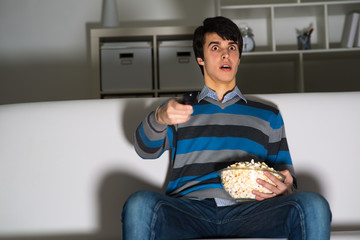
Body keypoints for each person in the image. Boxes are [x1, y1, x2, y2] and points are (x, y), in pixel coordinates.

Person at [122, 16, 331, 240]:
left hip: (251, 212)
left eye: (232, 47)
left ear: (239, 57)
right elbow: (145, 150)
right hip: (189, 211)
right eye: (215, 47)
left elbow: (287, 181)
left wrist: (287, 188)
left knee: (313, 204)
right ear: (200, 58)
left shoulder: (268, 115)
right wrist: (159, 116)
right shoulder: (179, 108)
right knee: (139, 202)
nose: (226, 54)